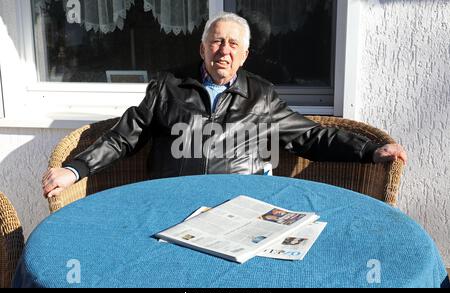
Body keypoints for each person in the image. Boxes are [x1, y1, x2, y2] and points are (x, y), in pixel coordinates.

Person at [42, 12, 407, 198]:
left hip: (242, 204)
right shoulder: (168, 85)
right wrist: (74, 170)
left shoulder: (261, 95)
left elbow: (310, 136)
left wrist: (370, 151)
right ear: (202, 48)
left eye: (233, 45)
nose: (224, 50)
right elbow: (125, 135)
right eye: (217, 42)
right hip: (172, 201)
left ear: (244, 55)